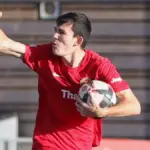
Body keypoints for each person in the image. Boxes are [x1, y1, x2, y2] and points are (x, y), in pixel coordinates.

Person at [0, 12, 141, 150]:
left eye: (61, 33)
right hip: (47, 144)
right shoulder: (46, 55)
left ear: (78, 41)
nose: (55, 36)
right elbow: (5, 45)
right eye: (55, 31)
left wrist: (103, 113)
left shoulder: (99, 65)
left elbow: (134, 105)